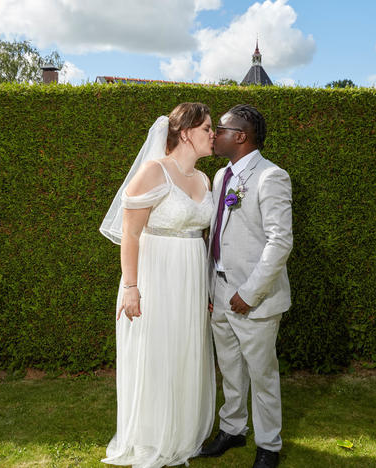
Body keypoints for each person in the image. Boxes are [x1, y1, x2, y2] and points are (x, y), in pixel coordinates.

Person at [99, 102, 216, 468]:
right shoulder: (154, 171)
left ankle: (180, 432)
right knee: (156, 353)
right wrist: (131, 287)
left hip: (191, 276)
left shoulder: (203, 180)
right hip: (155, 274)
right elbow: (130, 233)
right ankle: (152, 437)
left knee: (184, 349)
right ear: (185, 133)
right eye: (207, 129)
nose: (214, 135)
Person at [200, 104, 293, 468]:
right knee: (230, 366)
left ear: (240, 136)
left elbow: (279, 242)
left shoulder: (271, 176)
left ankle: (269, 445)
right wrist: (212, 289)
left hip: (254, 298)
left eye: (220, 128)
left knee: (262, 374)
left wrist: (249, 293)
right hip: (220, 291)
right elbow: (216, 233)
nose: (214, 134)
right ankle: (232, 429)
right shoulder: (221, 177)